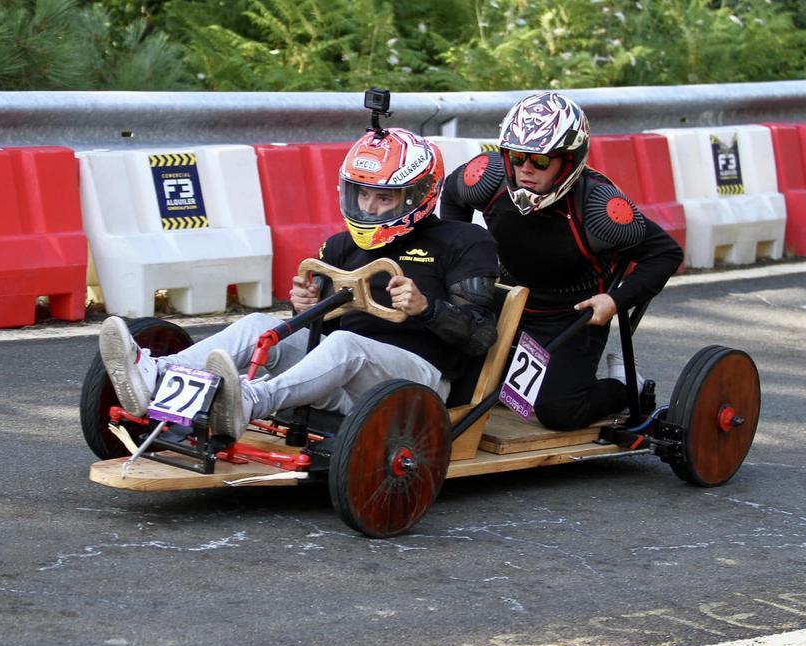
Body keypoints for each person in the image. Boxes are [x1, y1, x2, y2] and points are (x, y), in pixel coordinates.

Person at [100, 126, 501, 440]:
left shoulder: (463, 241)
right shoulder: (341, 246)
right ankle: (157, 374)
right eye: (362, 195)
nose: (369, 207)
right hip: (341, 377)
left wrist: (426, 309)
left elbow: (481, 337)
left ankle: (248, 401)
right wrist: (307, 308)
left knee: (347, 345)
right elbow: (323, 330)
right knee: (259, 325)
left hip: (418, 384)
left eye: (384, 199)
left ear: (418, 194)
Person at [440, 91, 684, 431]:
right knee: (451, 378)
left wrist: (615, 300)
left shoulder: (601, 210)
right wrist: (460, 264)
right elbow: (453, 197)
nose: (525, 169)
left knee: (558, 411)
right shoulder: (486, 178)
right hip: (506, 301)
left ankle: (624, 386)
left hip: (569, 317)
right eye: (517, 157)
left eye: (540, 161)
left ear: (568, 161)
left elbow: (666, 253)